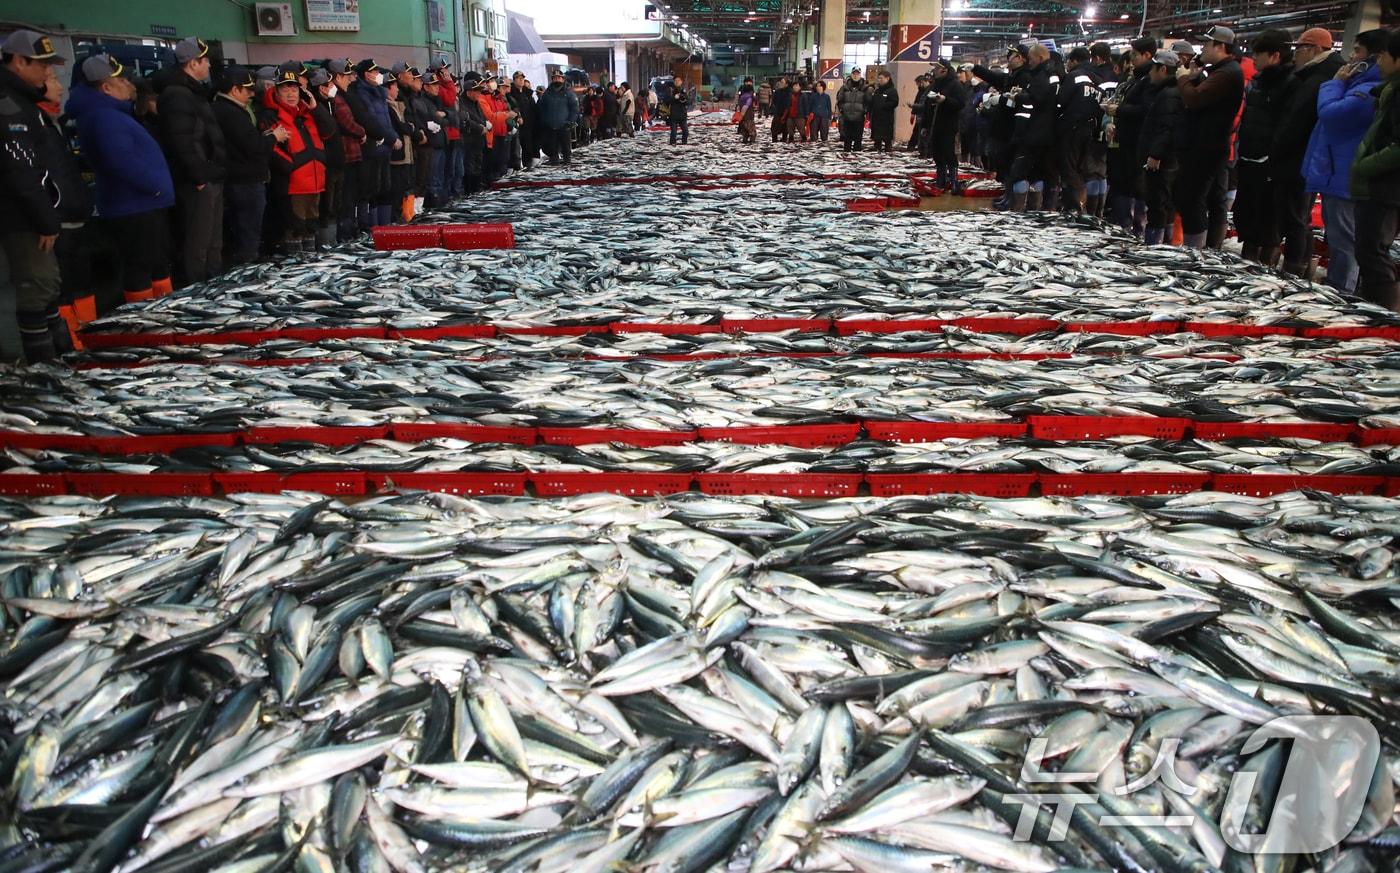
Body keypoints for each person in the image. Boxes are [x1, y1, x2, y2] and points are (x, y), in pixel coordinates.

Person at [0, 30, 89, 361]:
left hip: (31, 215)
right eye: (42, 66)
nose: (47, 74)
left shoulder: (22, 103)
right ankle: (40, 373)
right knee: (37, 290)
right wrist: (46, 220)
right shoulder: (9, 106)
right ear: (18, 62)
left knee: (46, 289)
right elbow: (20, 171)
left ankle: (56, 360)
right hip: (22, 220)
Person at [66, 54, 176, 305]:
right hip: (134, 205)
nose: (130, 84)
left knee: (154, 264)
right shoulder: (105, 118)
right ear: (106, 87)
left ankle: (165, 310)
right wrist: (156, 187)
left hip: (143, 204)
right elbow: (121, 161)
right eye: (123, 79)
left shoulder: (112, 114)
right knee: (140, 267)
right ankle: (143, 319)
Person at [1305, 29, 1388, 294]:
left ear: (1375, 58)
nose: (1350, 57)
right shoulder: (1359, 86)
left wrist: (1335, 83)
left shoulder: (1366, 91)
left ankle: (1342, 294)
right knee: (1341, 240)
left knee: (1345, 243)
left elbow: (1331, 114)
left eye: (1357, 51)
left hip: (1344, 177)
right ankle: (1338, 287)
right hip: (1336, 173)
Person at [1273, 28, 1346, 277]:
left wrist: (1276, 150)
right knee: (1299, 218)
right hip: (1308, 160)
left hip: (1300, 161)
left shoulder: (1317, 79)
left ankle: (1293, 274)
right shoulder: (1319, 75)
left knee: (1294, 219)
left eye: (1299, 48)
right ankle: (1299, 271)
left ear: (1314, 50)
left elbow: (1296, 123)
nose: (1295, 55)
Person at [157, 36, 227, 284]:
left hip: (211, 175)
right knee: (199, 239)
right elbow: (181, 142)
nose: (208, 65)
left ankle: (215, 283)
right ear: (192, 63)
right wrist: (198, 176)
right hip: (199, 180)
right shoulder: (177, 95)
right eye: (205, 60)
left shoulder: (195, 93)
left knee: (213, 239)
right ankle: (197, 290)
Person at [1175, 25, 1245, 248]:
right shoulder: (1220, 71)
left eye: (1206, 44)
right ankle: (1204, 249)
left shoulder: (1227, 73)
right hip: (1206, 145)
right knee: (1208, 200)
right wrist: (1194, 78)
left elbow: (1194, 100)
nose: (1202, 49)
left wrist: (1184, 79)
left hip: (1207, 147)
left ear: (1221, 46)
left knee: (1192, 198)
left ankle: (1194, 253)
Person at [1232, 30, 1296, 265]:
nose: (1254, 58)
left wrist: (1273, 157)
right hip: (1249, 158)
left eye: (1259, 53)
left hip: (1270, 164)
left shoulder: (1291, 83)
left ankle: (1265, 269)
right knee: (1246, 215)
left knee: (1269, 221)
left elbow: (1289, 127)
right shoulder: (1257, 82)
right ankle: (1245, 267)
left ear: (1275, 55)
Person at [1350, 29, 1400, 312]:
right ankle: (1373, 312)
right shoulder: (1390, 90)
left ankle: (1384, 322)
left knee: (1372, 252)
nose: (1378, 62)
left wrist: (1365, 166)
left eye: (1383, 56)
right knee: (1368, 251)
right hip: (1380, 186)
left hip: (1385, 187)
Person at [212, 65, 280, 265]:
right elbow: (252, 145)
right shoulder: (230, 112)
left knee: (247, 225)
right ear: (235, 90)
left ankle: (248, 260)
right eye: (247, 89)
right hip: (244, 179)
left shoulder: (227, 108)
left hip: (243, 177)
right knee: (248, 225)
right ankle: (247, 267)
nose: (252, 94)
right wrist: (273, 137)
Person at [258, 67, 326, 252]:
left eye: (294, 89)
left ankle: (311, 264)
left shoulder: (306, 112)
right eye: (285, 89)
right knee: (294, 228)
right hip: (292, 185)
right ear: (276, 91)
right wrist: (292, 167)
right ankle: (294, 268)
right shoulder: (269, 115)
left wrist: (315, 107)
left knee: (311, 226)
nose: (291, 94)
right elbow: (271, 149)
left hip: (315, 181)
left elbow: (329, 131)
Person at [1103, 37, 1157, 234]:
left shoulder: (1149, 80)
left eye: (1134, 55)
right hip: (1124, 140)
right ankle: (1123, 226)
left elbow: (1146, 110)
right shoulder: (1135, 79)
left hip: (1136, 143)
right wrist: (1112, 122)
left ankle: (1132, 230)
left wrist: (1119, 111)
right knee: (1121, 184)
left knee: (1133, 186)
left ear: (1147, 55)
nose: (1131, 59)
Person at [1138, 51, 1184, 245]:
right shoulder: (1172, 91)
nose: (1150, 73)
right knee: (1164, 202)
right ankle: (1164, 243)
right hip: (1169, 159)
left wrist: (1155, 154)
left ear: (1163, 69)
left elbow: (1167, 127)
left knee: (1158, 202)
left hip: (1163, 160)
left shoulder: (1169, 94)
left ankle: (1155, 247)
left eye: (1153, 68)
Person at [1008, 43, 1059, 211]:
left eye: (1030, 59)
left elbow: (1036, 99)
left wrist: (1019, 96)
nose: (1028, 62)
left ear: (1040, 58)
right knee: (1038, 173)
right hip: (1048, 133)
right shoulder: (1055, 73)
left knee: (1020, 172)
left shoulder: (1042, 75)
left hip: (1036, 132)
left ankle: (1018, 213)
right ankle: (1036, 212)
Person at [347, 60, 395, 229]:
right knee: (371, 189)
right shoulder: (362, 93)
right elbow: (370, 119)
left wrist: (392, 136)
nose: (378, 76)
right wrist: (388, 137)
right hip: (372, 147)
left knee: (384, 187)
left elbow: (386, 119)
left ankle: (384, 225)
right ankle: (371, 227)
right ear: (367, 74)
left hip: (384, 147)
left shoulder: (379, 93)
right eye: (375, 72)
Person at [1059, 47, 1104, 214]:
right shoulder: (1098, 78)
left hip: (1071, 130)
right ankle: (1086, 210)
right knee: (1083, 170)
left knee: (1070, 169)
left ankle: (1074, 209)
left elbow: (1060, 102)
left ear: (1074, 60)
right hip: (1090, 130)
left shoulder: (1074, 76)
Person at [325, 59, 365, 240]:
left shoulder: (342, 96)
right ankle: (345, 233)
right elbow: (347, 123)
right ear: (337, 77)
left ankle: (348, 230)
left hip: (349, 154)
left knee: (349, 196)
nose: (350, 80)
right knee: (345, 197)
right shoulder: (337, 98)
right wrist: (362, 131)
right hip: (346, 154)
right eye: (346, 76)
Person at [308, 69, 344, 249]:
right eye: (329, 85)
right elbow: (327, 130)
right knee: (325, 205)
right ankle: (325, 242)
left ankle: (332, 240)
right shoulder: (315, 107)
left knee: (335, 203)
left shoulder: (330, 104)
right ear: (321, 88)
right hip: (326, 163)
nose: (333, 87)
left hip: (337, 161)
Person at [923, 62, 966, 191]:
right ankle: (941, 180)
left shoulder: (955, 84)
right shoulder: (935, 84)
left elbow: (961, 103)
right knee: (937, 154)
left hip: (948, 126)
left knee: (949, 154)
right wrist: (926, 125)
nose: (934, 70)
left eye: (937, 68)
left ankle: (954, 182)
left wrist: (945, 100)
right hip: (935, 125)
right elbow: (927, 107)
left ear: (944, 70)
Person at [384, 77, 415, 221]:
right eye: (394, 86)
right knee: (396, 187)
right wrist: (409, 127)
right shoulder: (388, 107)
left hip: (404, 152)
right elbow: (400, 126)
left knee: (403, 185)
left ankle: (405, 214)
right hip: (396, 155)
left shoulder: (397, 105)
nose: (397, 89)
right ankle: (395, 217)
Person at [432, 62, 463, 197]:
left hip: (454, 133)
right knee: (445, 170)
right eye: (444, 70)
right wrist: (450, 82)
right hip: (447, 134)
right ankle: (445, 196)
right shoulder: (440, 87)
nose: (447, 72)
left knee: (454, 169)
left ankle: (450, 195)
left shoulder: (444, 86)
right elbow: (449, 99)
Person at [537, 70, 579, 165]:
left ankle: (567, 164)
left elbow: (575, 109)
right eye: (555, 78)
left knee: (566, 150)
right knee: (552, 150)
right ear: (552, 79)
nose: (557, 79)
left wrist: (570, 122)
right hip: (550, 127)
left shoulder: (569, 93)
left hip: (564, 127)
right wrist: (545, 121)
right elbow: (542, 109)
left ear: (563, 79)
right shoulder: (547, 94)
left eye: (559, 78)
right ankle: (554, 162)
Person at [457, 72, 488, 190]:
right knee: (469, 169)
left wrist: (485, 123)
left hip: (478, 142)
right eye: (477, 91)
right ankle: (470, 192)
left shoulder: (476, 103)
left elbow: (482, 117)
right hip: (469, 142)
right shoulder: (462, 102)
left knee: (477, 168)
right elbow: (468, 118)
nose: (479, 93)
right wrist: (480, 127)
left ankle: (476, 190)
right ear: (469, 92)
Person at [837, 71, 869, 153]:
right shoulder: (844, 87)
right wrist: (842, 109)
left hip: (859, 118)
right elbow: (840, 100)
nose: (855, 76)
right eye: (854, 74)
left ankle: (857, 155)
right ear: (851, 75)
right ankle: (846, 155)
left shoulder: (865, 88)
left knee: (858, 138)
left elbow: (868, 101)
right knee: (847, 138)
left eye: (857, 74)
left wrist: (864, 110)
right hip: (847, 117)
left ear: (860, 75)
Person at [867, 71, 899, 153]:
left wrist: (883, 106)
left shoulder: (892, 91)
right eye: (879, 78)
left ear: (887, 78)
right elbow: (873, 102)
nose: (879, 80)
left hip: (886, 118)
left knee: (886, 136)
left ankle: (888, 148)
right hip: (876, 117)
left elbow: (895, 102)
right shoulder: (877, 91)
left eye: (881, 78)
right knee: (877, 135)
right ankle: (877, 147)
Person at [667, 75, 689, 145]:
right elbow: (667, 101)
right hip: (673, 115)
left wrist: (684, 99)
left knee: (686, 131)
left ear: (681, 82)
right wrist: (674, 98)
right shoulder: (670, 90)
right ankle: (672, 144)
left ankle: (684, 144)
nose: (677, 82)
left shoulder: (683, 91)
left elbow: (688, 102)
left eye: (678, 81)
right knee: (674, 132)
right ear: (674, 82)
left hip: (682, 115)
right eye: (676, 81)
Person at [769, 76, 790, 142]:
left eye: (782, 82)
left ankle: (784, 141)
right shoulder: (777, 92)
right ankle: (774, 141)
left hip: (786, 113)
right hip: (778, 112)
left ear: (786, 84)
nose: (780, 84)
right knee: (774, 129)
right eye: (780, 82)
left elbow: (789, 104)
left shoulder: (789, 92)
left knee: (785, 130)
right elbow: (774, 101)